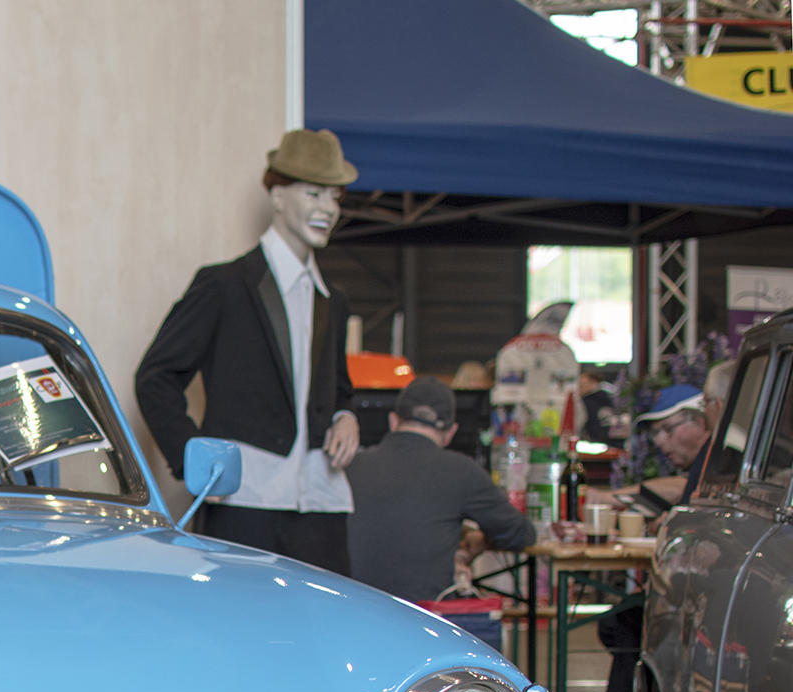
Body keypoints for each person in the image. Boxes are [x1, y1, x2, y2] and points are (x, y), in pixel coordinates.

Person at [135, 128, 360, 575]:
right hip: (246, 503)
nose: (328, 209)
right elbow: (155, 376)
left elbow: (338, 390)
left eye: (334, 197)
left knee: (323, 634)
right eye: (314, 193)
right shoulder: (224, 285)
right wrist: (193, 459)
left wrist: (346, 417)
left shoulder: (333, 299)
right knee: (240, 632)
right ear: (277, 196)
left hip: (321, 507)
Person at [588, 382, 711, 692]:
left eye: (668, 429)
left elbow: (678, 492)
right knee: (623, 621)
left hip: (704, 598)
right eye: (655, 433)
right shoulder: (709, 460)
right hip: (699, 589)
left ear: (701, 419)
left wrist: (611, 498)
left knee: (626, 622)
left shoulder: (716, 456)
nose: (660, 441)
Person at [345, 377, 535, 601]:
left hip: (349, 614)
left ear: (393, 421)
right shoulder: (461, 470)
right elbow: (521, 534)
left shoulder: (349, 467)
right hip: (426, 622)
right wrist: (477, 541)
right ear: (451, 432)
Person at [577, 368, 617, 443]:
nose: (579, 389)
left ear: (593, 382)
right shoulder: (607, 397)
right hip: (608, 440)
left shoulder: (588, 401)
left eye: (582, 385)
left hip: (594, 441)